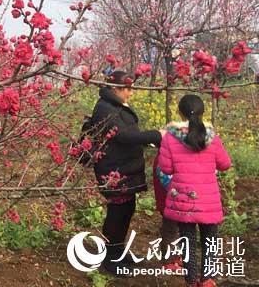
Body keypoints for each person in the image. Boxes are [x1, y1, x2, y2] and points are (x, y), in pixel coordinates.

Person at [90, 70, 163, 275]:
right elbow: (122, 135)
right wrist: (156, 135)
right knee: (117, 212)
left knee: (127, 209)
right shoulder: (105, 108)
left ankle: (118, 250)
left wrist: (149, 138)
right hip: (114, 168)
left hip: (124, 166)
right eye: (128, 89)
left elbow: (129, 134)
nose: (130, 93)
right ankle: (110, 258)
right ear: (116, 88)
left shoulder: (114, 105)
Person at [157, 94, 231, 287]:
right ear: (202, 112)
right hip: (208, 200)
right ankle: (207, 280)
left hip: (183, 199)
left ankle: (190, 281)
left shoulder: (169, 137)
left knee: (187, 241)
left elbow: (165, 168)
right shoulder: (212, 137)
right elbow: (225, 164)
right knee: (210, 241)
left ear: (180, 112)